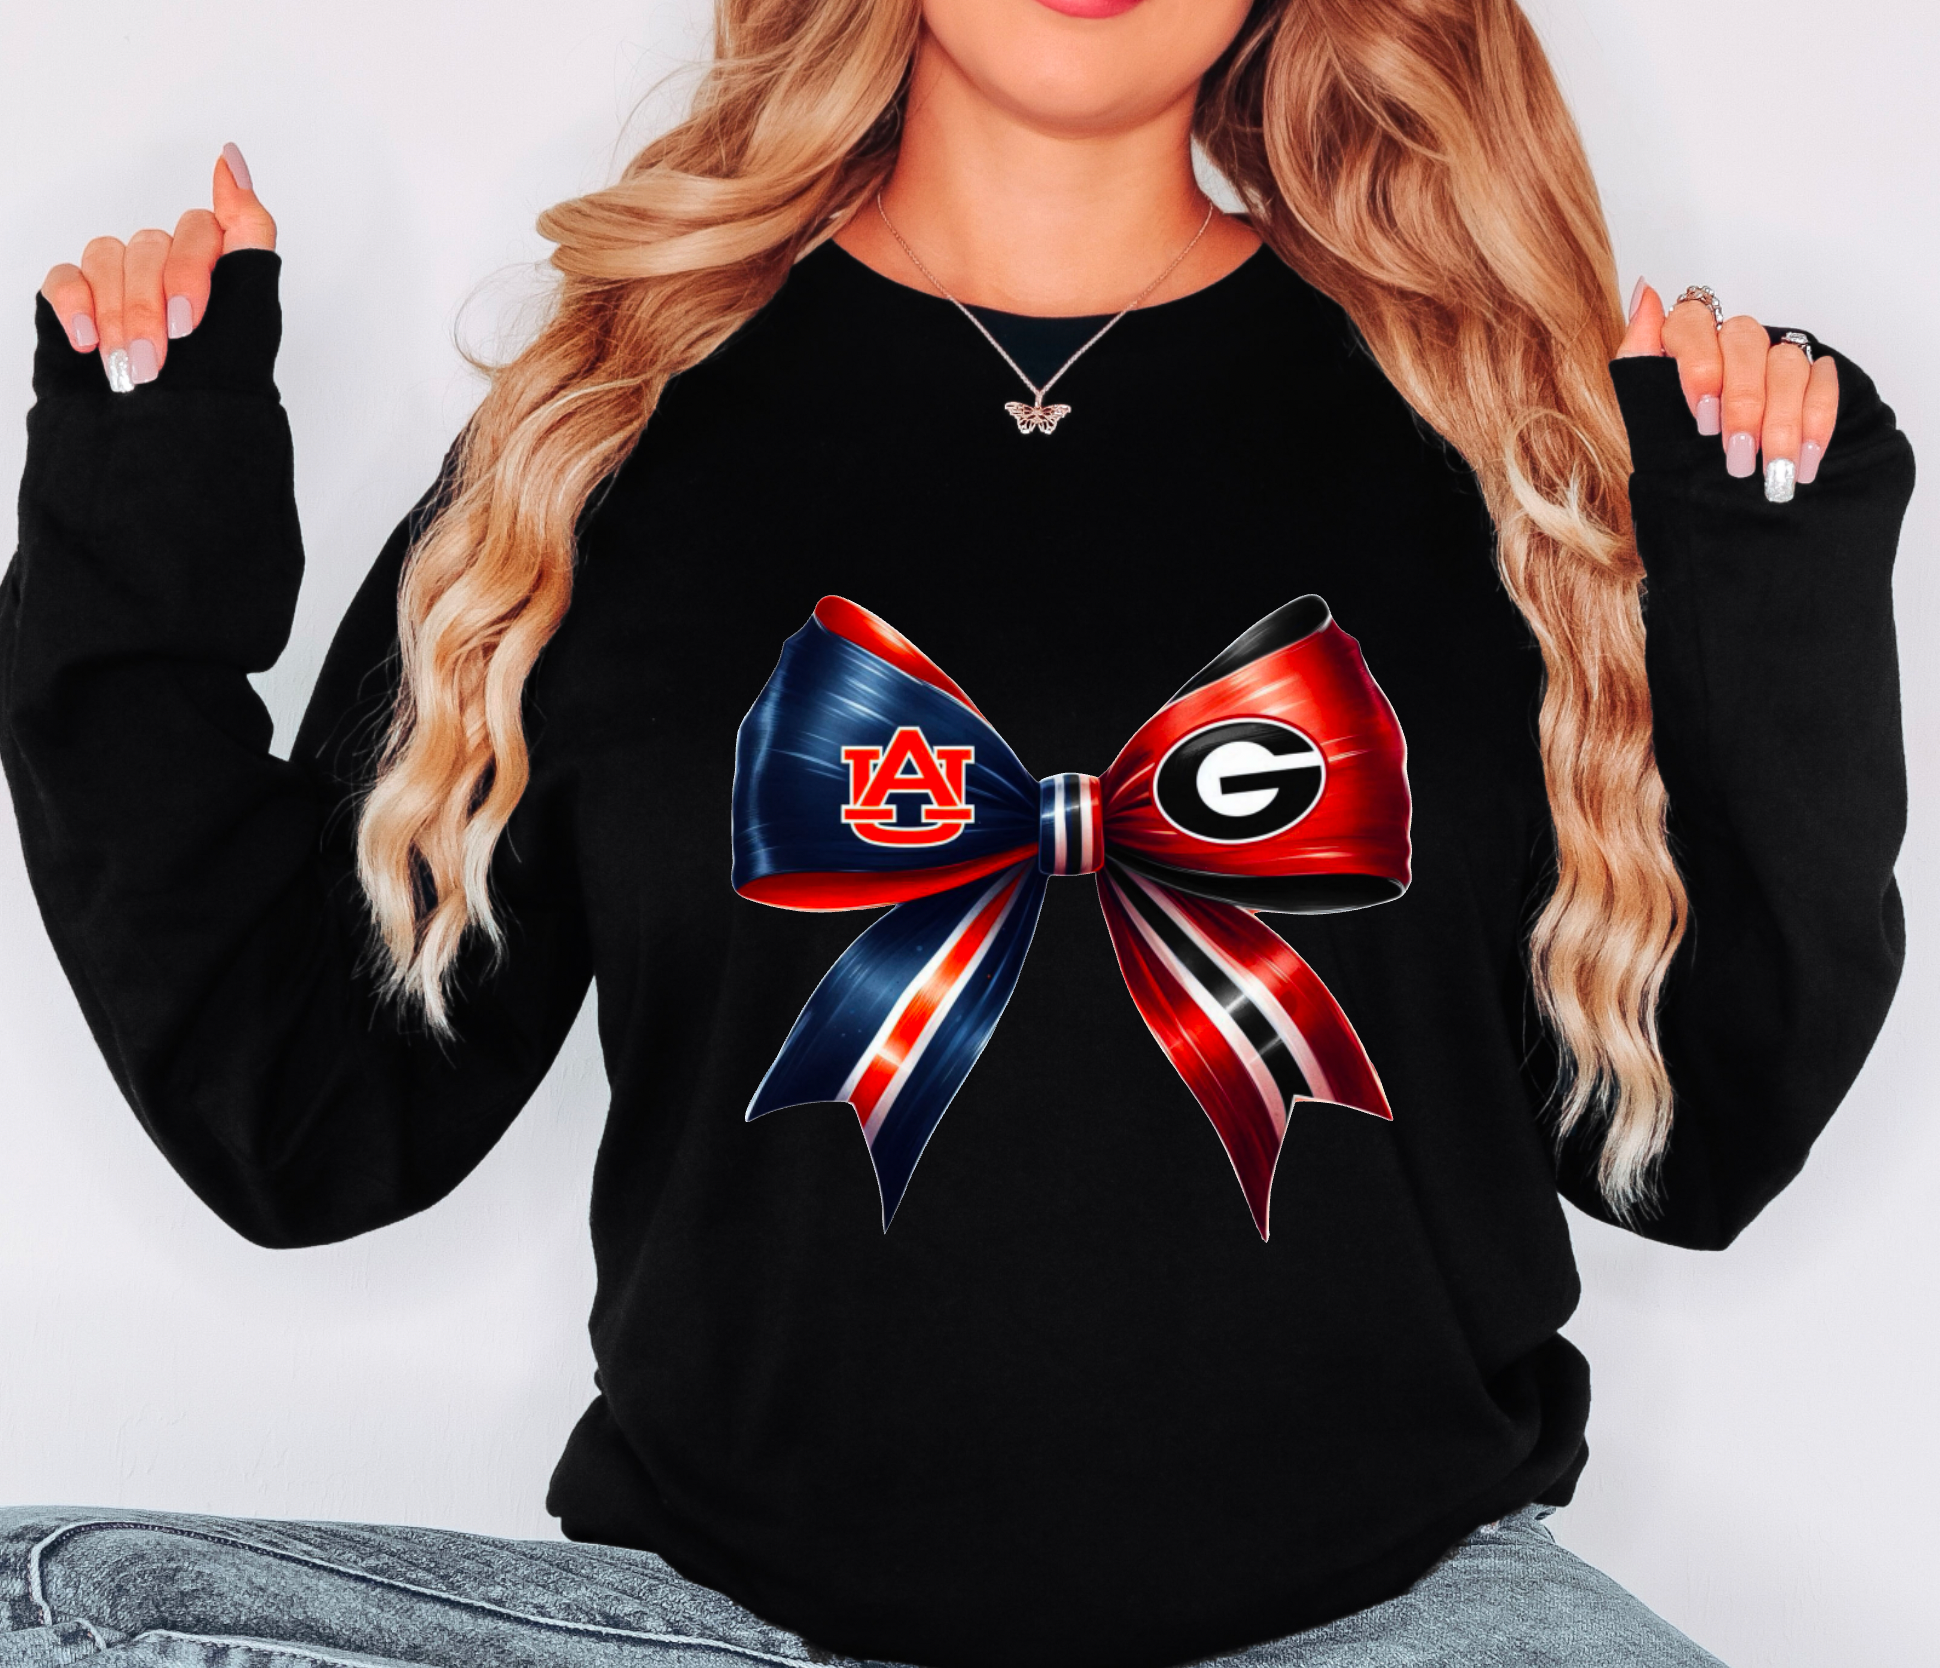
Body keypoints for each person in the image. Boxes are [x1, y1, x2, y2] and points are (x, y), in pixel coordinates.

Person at [0, 0, 1912, 1664]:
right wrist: (142, 506)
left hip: (1396, 1623)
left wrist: (1766, 573)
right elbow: (306, 1112)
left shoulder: (1499, 445)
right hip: (740, 1631)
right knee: (48, 1597)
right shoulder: (594, 440)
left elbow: (1694, 1145)